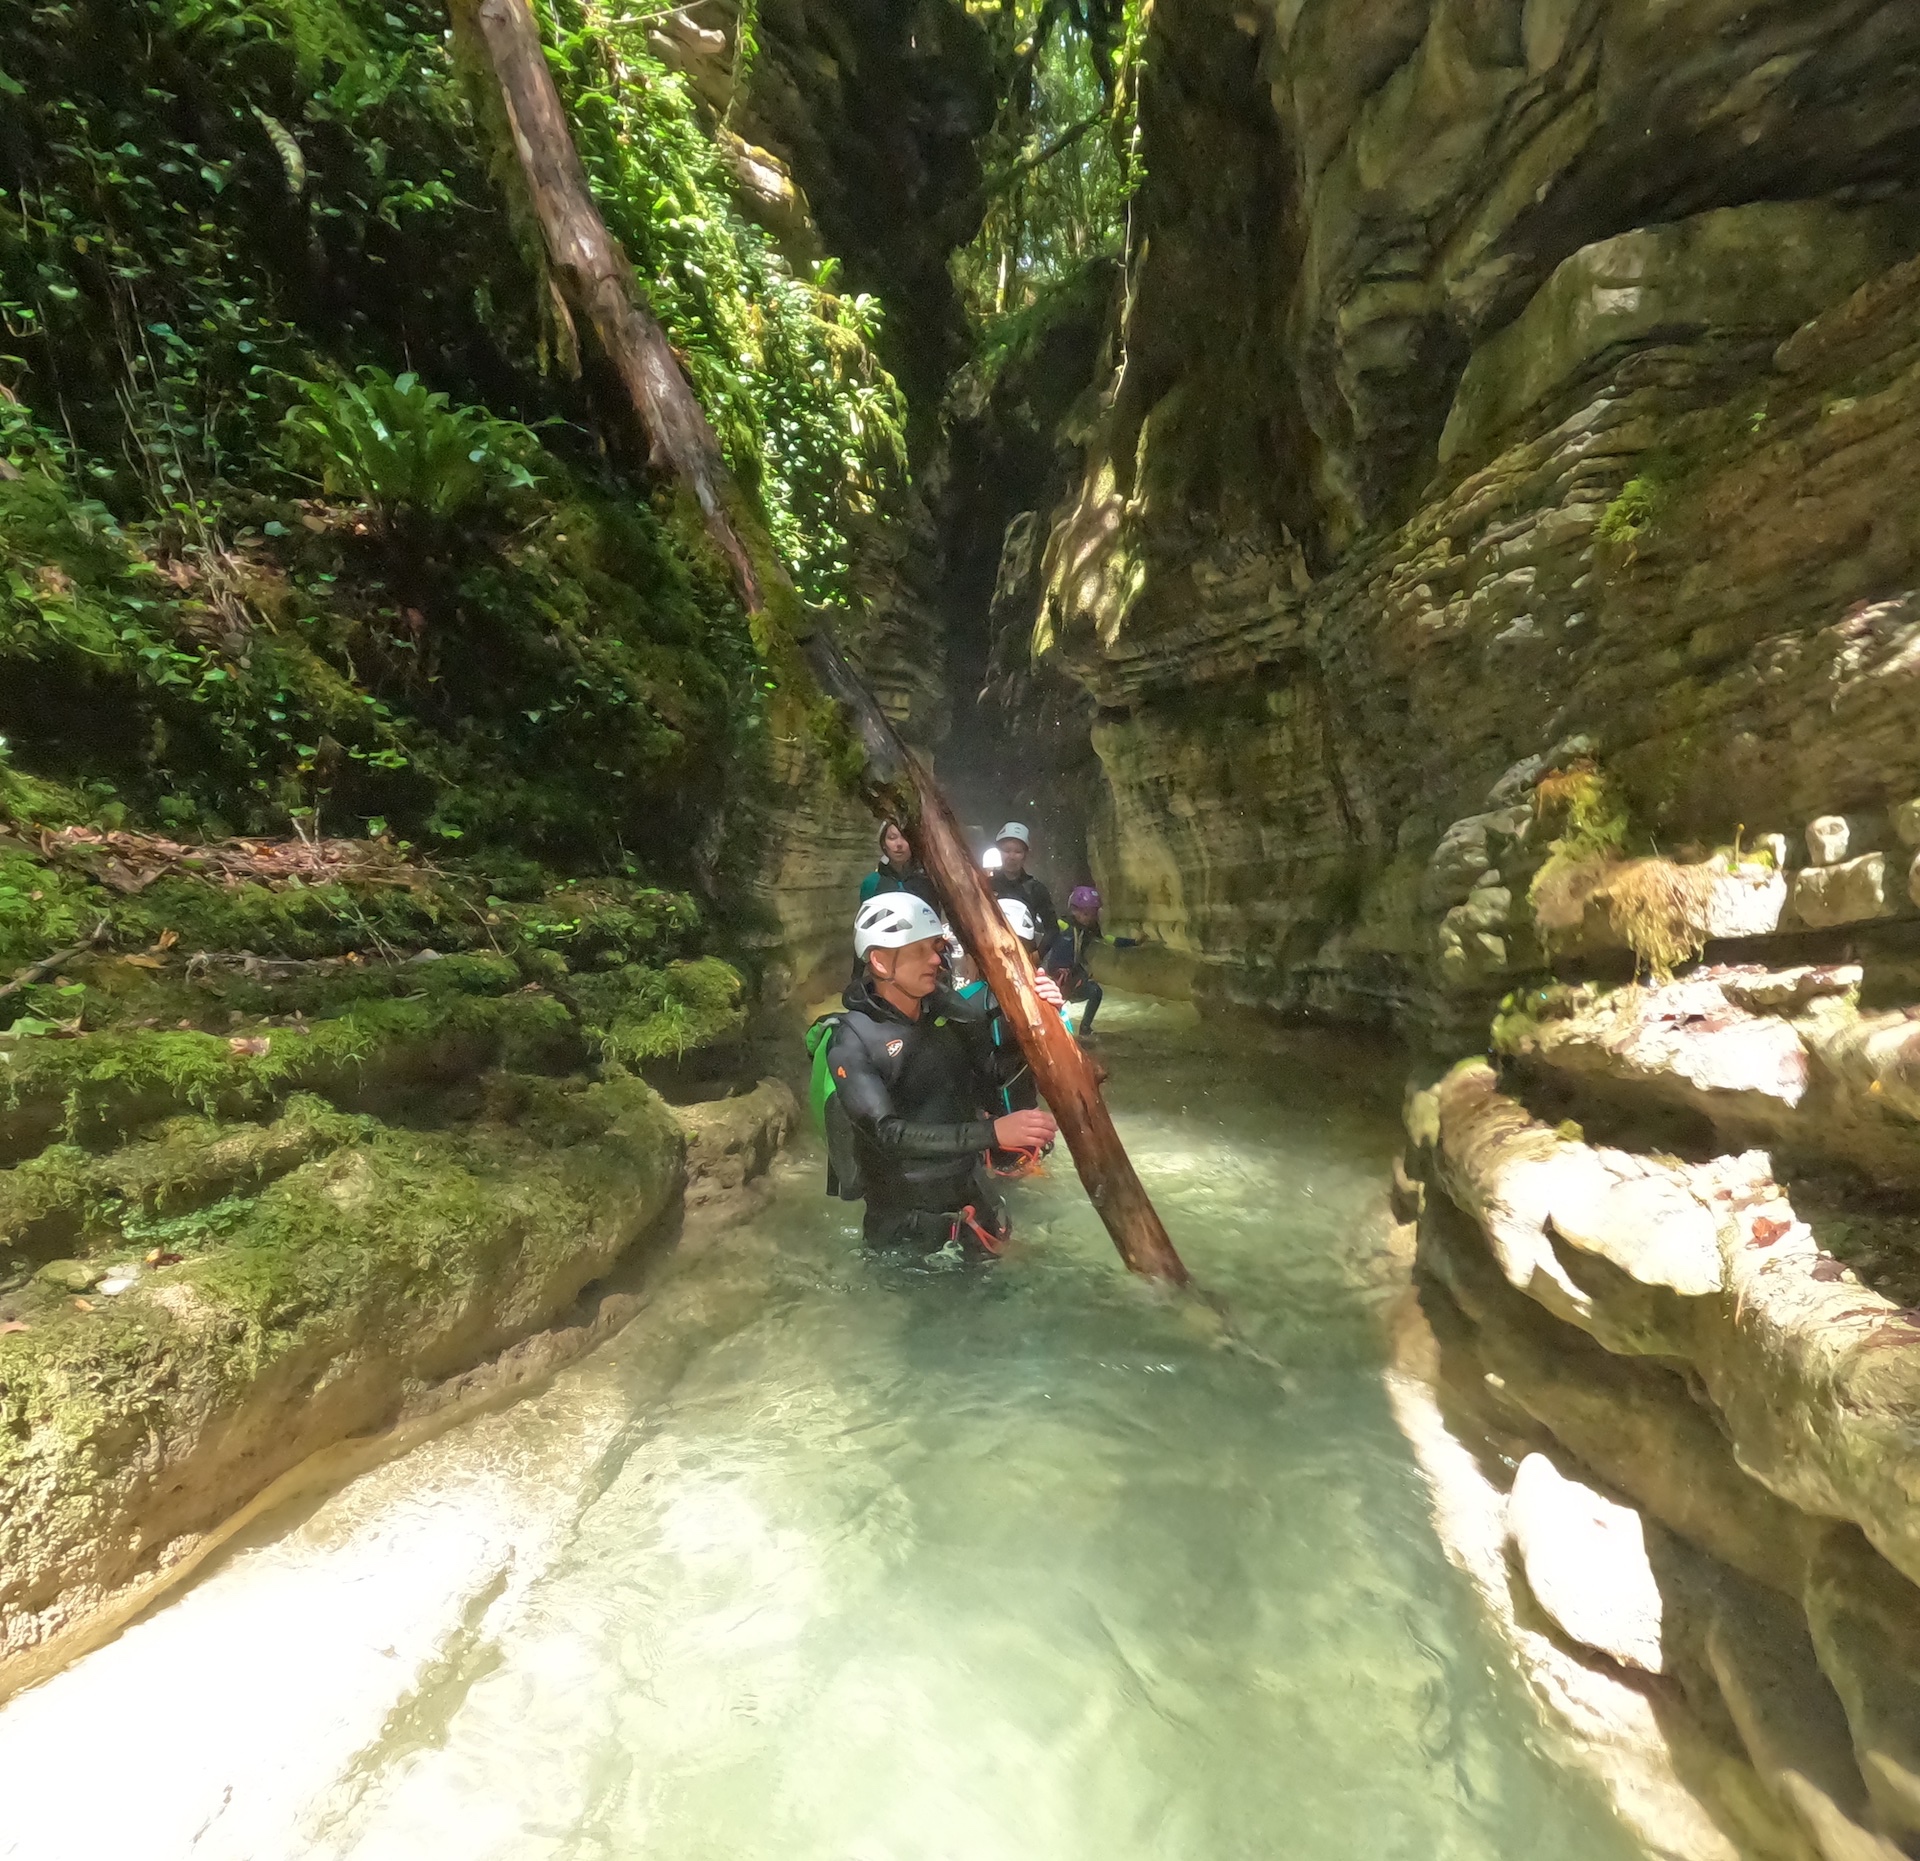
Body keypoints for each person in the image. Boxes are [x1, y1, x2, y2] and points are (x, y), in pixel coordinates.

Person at [819, 892, 1059, 1256]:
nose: (936, 959)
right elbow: (887, 1133)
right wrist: (991, 1132)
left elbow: (995, 1078)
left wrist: (1043, 1015)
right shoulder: (851, 1040)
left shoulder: (947, 1011)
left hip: (973, 1205)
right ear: (881, 962)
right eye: (918, 951)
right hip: (905, 1232)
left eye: (934, 947)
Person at [1043, 885, 1105, 1038]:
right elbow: (1048, 927)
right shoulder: (1063, 926)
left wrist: (1134, 942)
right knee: (1052, 1007)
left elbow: (1110, 940)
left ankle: (1085, 1029)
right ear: (1074, 910)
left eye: (1092, 913)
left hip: (1072, 979)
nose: (1090, 917)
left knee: (1096, 991)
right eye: (1086, 913)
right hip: (1055, 978)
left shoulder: (1087, 931)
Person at [989, 822, 1057, 951]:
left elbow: (1052, 929)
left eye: (1017, 851)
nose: (1011, 856)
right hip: (990, 954)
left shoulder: (1036, 889)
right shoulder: (986, 886)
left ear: (1025, 855)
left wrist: (1037, 956)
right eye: (1006, 850)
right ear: (999, 852)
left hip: (1025, 955)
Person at [858, 820, 939, 912]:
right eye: (892, 838)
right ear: (883, 844)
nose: (899, 844)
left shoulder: (929, 881)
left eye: (905, 838)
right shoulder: (871, 883)